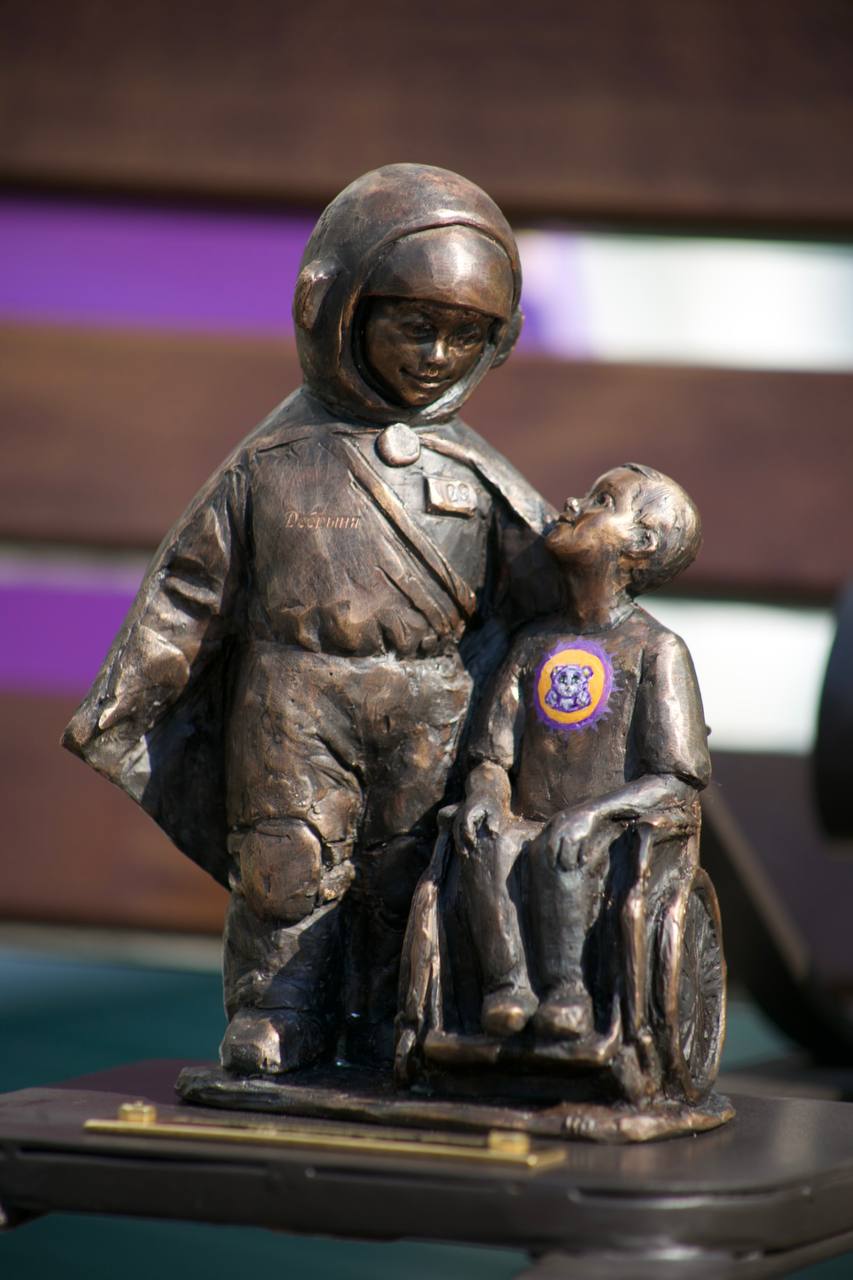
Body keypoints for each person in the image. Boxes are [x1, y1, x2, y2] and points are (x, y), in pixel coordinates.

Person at [62, 163, 557, 1074]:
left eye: (463, 335)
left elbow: (551, 604)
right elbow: (193, 591)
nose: (435, 354)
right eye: (413, 326)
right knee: (285, 863)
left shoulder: (479, 478)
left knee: (409, 868)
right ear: (339, 309)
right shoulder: (273, 462)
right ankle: (279, 1012)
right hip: (294, 695)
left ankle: (393, 1022)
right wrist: (132, 695)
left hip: (431, 701)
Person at [453, 464, 710, 1041]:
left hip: (609, 831)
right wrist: (486, 795)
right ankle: (507, 988)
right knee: (487, 840)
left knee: (560, 846)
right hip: (529, 819)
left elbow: (677, 775)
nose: (573, 502)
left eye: (602, 500)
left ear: (641, 543)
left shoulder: (657, 649)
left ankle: (568, 992)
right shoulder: (533, 643)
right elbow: (492, 754)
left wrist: (594, 814)